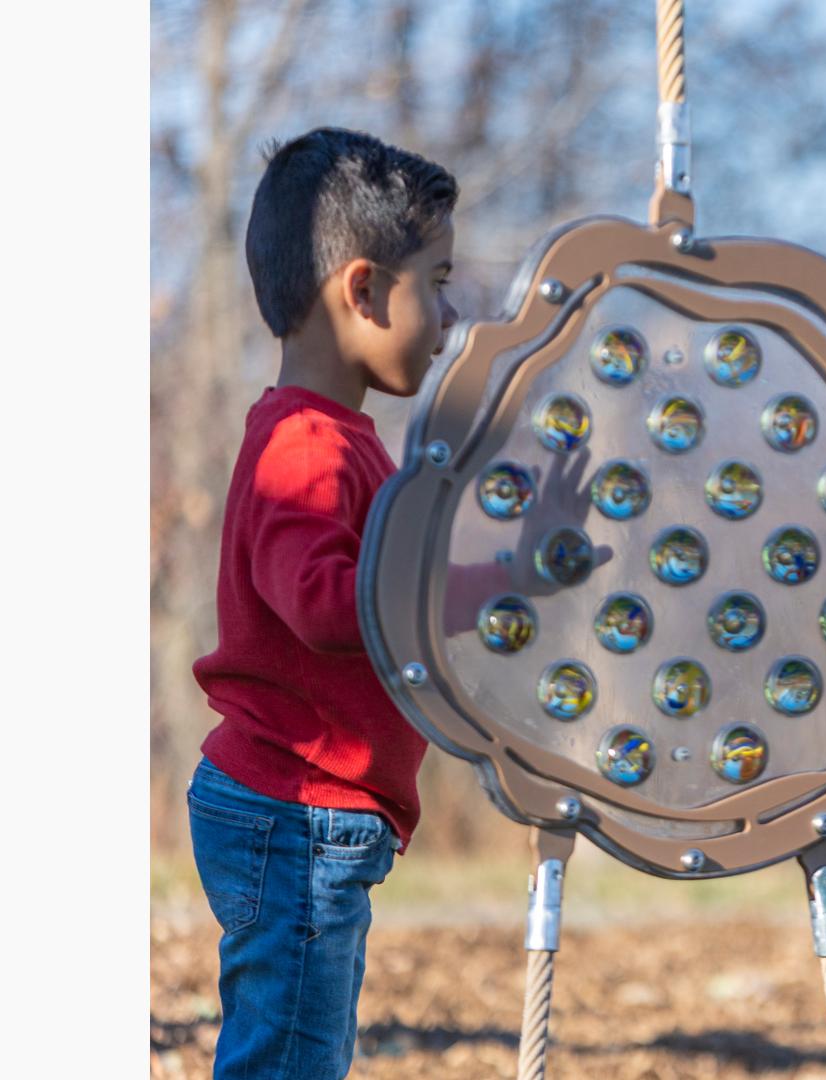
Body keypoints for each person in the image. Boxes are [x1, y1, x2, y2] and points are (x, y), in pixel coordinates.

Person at [187, 127, 459, 1078]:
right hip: (293, 811)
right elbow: (324, 607)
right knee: (288, 1059)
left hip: (309, 810)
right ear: (363, 290)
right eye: (440, 282)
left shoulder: (339, 440)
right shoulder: (305, 446)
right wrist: (465, 590)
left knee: (304, 1046)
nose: (451, 314)